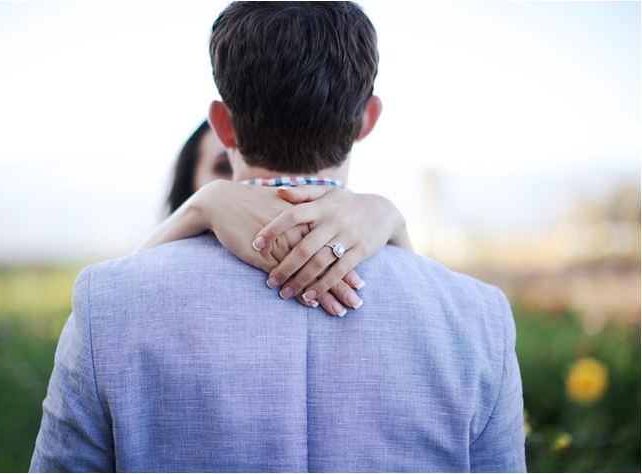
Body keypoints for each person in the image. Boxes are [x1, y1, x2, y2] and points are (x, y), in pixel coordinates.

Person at [30, 2, 526, 472]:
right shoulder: (480, 317)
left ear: (222, 124)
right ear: (367, 119)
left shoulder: (107, 303)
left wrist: (199, 206)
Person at [146, 119, 415, 316]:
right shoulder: (161, 274)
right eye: (223, 168)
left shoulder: (375, 226)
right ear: (191, 182)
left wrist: (395, 222)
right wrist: (204, 204)